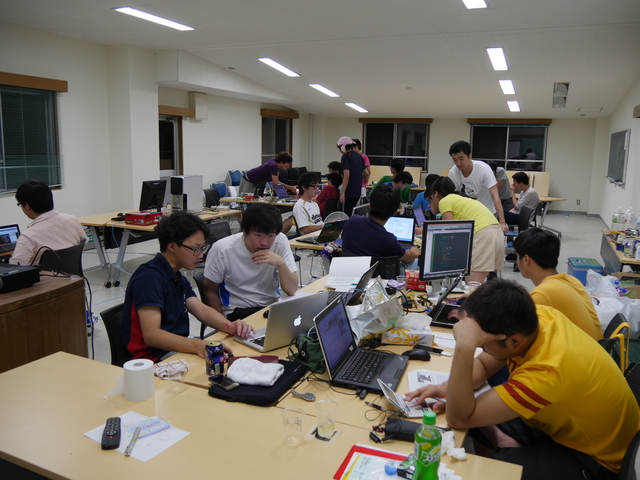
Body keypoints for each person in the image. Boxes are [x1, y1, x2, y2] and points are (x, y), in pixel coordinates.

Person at [405, 279, 639, 480]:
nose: (480, 348)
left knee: (501, 464)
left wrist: (465, 347)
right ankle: (503, 442)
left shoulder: (548, 370)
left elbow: (458, 418)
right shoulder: (537, 317)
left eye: (482, 343)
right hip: (565, 426)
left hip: (597, 461)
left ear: (514, 342)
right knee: (476, 423)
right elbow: (484, 365)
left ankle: (505, 448)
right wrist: (447, 387)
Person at [121, 211, 254, 362]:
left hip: (174, 350)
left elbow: (201, 309)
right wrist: (197, 345)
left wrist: (229, 326)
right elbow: (152, 335)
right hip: (150, 359)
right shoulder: (149, 278)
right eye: (195, 249)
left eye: (202, 248)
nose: (201, 255)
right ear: (172, 246)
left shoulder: (176, 276)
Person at [204, 203, 298, 319]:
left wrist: (281, 263)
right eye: (258, 235)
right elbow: (210, 291)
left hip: (271, 308)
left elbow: (291, 290)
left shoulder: (280, 241)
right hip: (237, 312)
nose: (264, 243)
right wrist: (222, 324)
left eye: (270, 235)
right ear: (244, 231)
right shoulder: (222, 249)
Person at [514, 228, 602, 340]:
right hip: (595, 347)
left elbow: (519, 338)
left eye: (517, 256)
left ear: (526, 260)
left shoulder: (543, 295)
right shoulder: (571, 280)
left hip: (578, 350)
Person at [428, 176, 504, 283]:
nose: (429, 204)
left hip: (483, 234)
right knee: (478, 282)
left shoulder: (444, 201)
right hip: (496, 232)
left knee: (472, 284)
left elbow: (449, 231)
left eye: (430, 198)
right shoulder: (459, 199)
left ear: (435, 194)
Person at [342, 184, 420, 271]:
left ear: (369, 206)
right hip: (378, 277)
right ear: (395, 212)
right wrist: (414, 253)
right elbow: (407, 258)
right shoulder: (389, 240)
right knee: (416, 263)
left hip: (348, 273)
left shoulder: (351, 221)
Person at [10, 179, 87, 266]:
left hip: (44, 275)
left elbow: (16, 267)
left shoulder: (29, 236)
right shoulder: (72, 220)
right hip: (72, 273)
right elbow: (84, 242)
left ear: (27, 206)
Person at [448, 141, 508, 233]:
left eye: (461, 159)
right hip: (466, 215)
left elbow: (495, 196)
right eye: (455, 160)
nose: (458, 163)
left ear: (470, 156)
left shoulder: (484, 169)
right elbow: (451, 198)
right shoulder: (453, 172)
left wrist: (502, 222)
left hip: (487, 212)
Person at [337, 136, 364, 217]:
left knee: (346, 216)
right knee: (354, 214)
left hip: (349, 192)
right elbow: (366, 173)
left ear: (342, 147)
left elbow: (347, 175)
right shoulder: (359, 156)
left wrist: (342, 193)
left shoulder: (346, 156)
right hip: (357, 191)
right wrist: (357, 178)